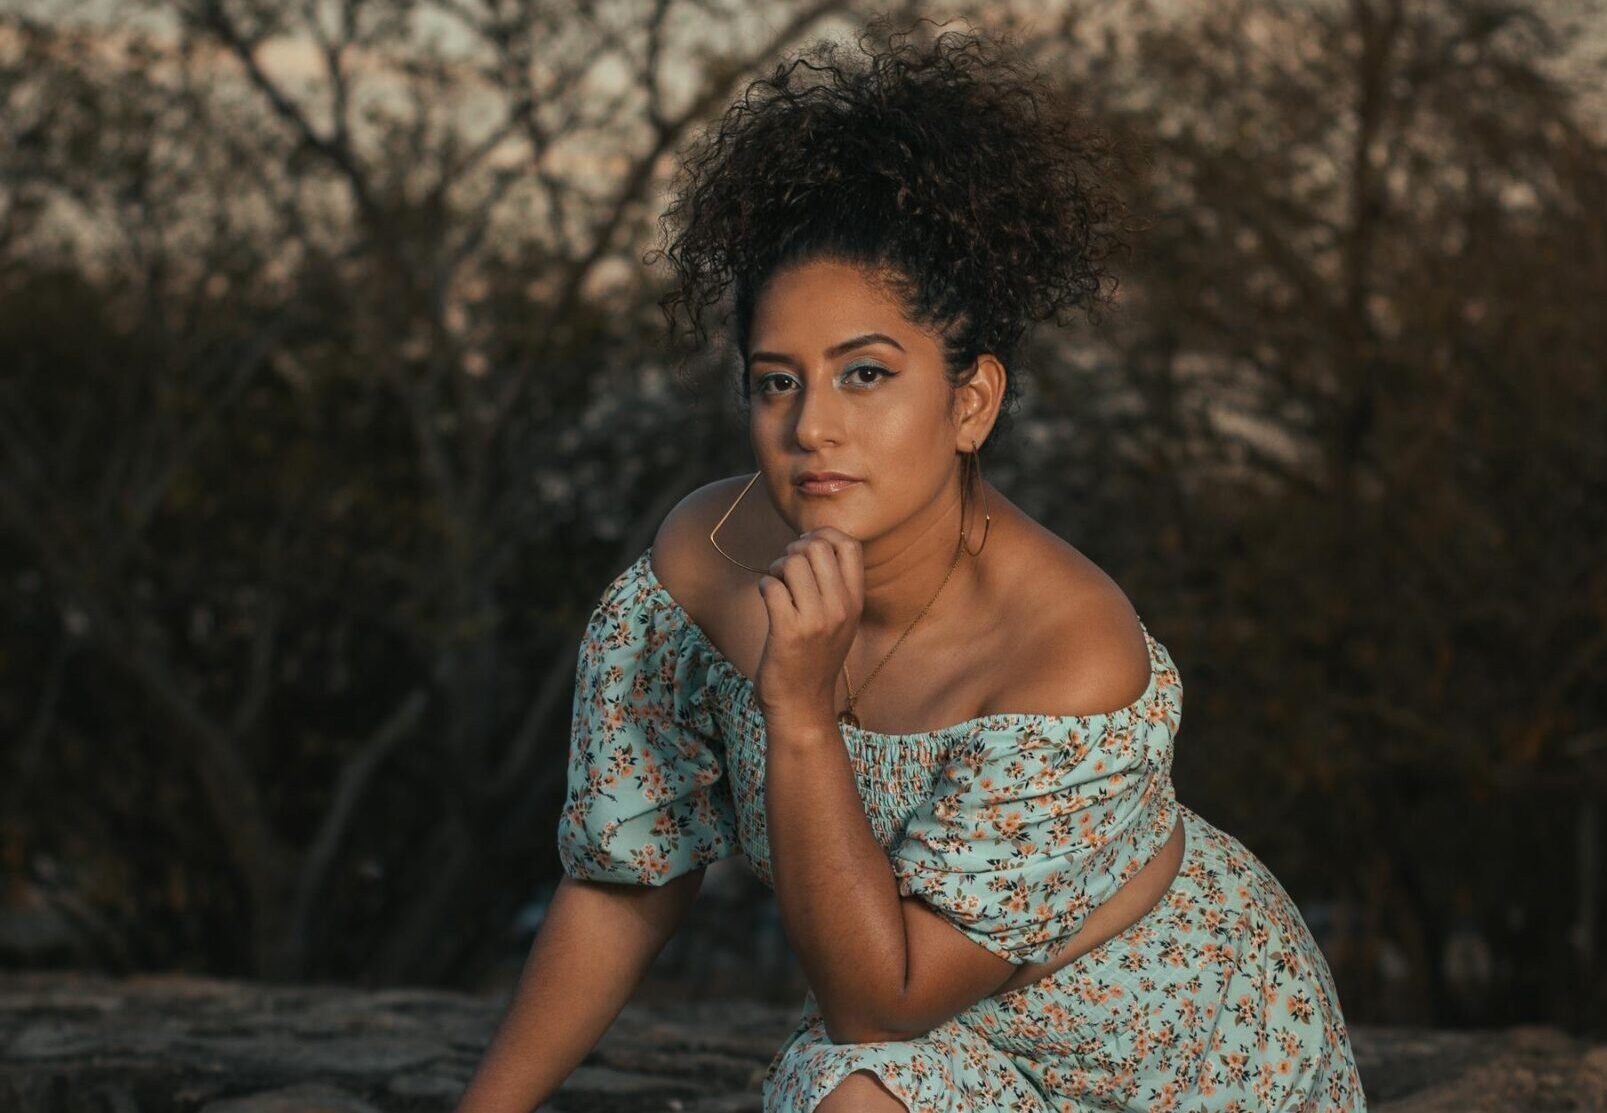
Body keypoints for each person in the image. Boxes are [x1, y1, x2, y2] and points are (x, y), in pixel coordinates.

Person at [456, 19, 1367, 1113]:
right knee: (851, 1089)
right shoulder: (703, 566)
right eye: (776, 380)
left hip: (1179, 1065)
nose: (811, 427)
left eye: (866, 374)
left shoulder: (1069, 645)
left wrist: (799, 712)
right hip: (929, 1058)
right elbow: (625, 879)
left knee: (851, 1074)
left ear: (970, 401)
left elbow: (878, 1002)